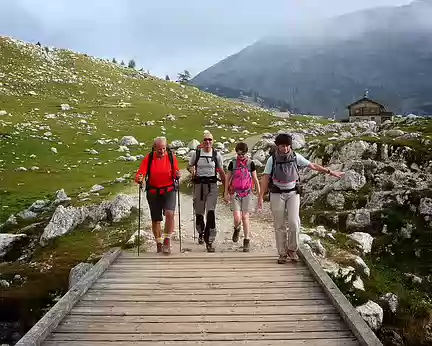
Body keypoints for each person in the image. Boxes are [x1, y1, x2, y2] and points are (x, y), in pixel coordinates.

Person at [258, 133, 344, 264]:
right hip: (276, 193)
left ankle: (292, 249)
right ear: (278, 146)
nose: (285, 148)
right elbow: (265, 178)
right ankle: (282, 253)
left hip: (293, 193)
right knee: (279, 224)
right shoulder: (272, 160)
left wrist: (330, 172)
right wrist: (261, 196)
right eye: (282, 146)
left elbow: (312, 166)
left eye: (287, 146)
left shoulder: (295, 157)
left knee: (294, 222)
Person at [135, 137, 180, 254]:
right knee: (156, 220)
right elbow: (141, 173)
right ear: (155, 147)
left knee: (170, 214)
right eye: (159, 149)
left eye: (164, 148)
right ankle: (159, 243)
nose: (162, 151)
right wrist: (139, 178)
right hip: (154, 192)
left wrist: (177, 174)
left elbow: (176, 172)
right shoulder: (149, 158)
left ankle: (167, 240)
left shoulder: (171, 157)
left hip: (169, 190)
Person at [187, 131, 226, 252]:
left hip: (212, 186)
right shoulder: (196, 154)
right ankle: (201, 232)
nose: (207, 142)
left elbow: (222, 172)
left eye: (210, 140)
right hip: (199, 186)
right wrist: (192, 170)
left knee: (210, 213)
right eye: (205, 140)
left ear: (213, 141)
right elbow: (189, 165)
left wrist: (226, 190)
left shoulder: (216, 155)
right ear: (202, 142)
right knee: (199, 213)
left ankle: (209, 241)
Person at [224, 142, 260, 252]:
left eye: (242, 154)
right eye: (239, 154)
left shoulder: (251, 164)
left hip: (247, 193)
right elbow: (227, 179)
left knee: (245, 217)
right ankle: (237, 228)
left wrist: (259, 195)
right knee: (237, 217)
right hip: (235, 193)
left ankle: (246, 240)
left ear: (246, 153)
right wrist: (225, 193)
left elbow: (255, 179)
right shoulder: (233, 164)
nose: (241, 156)